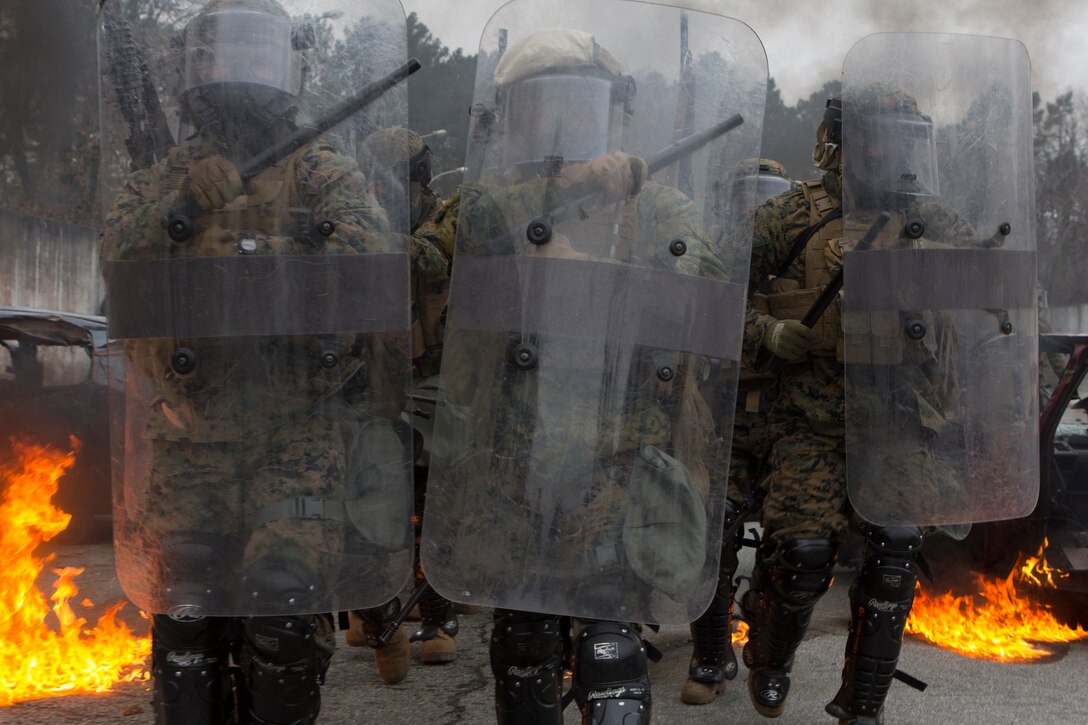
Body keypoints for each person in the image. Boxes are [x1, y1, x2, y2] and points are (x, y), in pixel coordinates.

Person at [423, 22, 754, 723]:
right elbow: (442, 245)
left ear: (611, 116)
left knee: (611, 644)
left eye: (581, 107)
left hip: (619, 467)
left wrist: (601, 273)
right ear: (514, 119)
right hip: (515, 469)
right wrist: (562, 190)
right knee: (522, 641)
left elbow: (712, 296)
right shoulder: (489, 201)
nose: (566, 123)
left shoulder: (657, 205)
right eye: (546, 108)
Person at [99, 0, 409, 721]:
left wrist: (258, 256)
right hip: (189, 430)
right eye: (221, 51)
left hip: (296, 432)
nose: (238, 67)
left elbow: (370, 256)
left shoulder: (318, 169)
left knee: (281, 605)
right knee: (184, 617)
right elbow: (118, 252)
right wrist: (179, 206)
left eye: (255, 50)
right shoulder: (168, 175)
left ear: (286, 66)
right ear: (195, 66)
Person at [738, 86, 974, 724]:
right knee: (804, 560)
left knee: (896, 556)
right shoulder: (789, 216)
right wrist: (766, 333)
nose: (896, 151)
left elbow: (984, 290)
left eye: (907, 137)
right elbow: (721, 295)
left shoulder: (932, 221)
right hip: (808, 422)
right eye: (881, 136)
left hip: (898, 419)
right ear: (840, 142)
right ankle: (770, 653)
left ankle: (861, 705)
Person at [344, 126, 461, 672]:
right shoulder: (361, 218)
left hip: (437, 382)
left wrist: (365, 230)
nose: (385, 193)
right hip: (375, 378)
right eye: (376, 182)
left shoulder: (446, 217)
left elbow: (429, 260)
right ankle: (378, 616)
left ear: (418, 180)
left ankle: (438, 619)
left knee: (427, 499)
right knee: (369, 494)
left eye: (395, 183)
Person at [680, 157, 794, 706]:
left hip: (792, 421)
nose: (758, 210)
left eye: (768, 199)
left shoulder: (811, 261)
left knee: (793, 547)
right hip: (723, 417)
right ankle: (710, 652)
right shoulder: (711, 258)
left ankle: (768, 645)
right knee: (713, 530)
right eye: (749, 199)